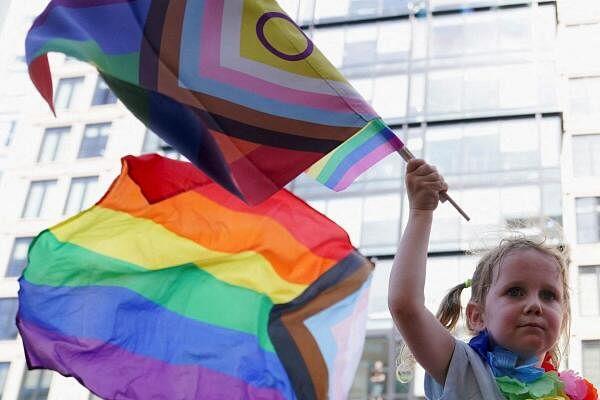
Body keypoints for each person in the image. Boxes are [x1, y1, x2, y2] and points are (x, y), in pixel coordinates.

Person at [388, 159, 598, 400]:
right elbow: (405, 305)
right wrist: (421, 212)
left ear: (563, 319)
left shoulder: (570, 394)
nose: (535, 305)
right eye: (515, 291)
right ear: (477, 316)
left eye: (549, 295)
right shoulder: (464, 370)